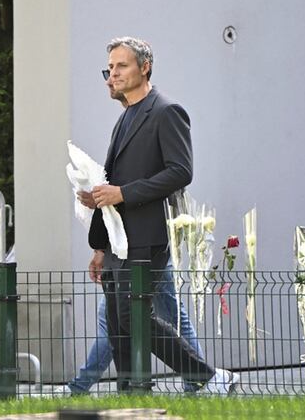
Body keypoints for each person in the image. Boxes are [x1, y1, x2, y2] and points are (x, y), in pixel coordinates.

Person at [78, 36, 236, 394]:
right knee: (120, 322)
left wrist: (123, 193)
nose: (111, 76)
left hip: (148, 237)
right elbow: (116, 180)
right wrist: (100, 244)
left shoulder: (166, 111)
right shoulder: (125, 118)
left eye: (120, 67)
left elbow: (181, 171)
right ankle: (133, 392)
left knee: (138, 317)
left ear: (144, 67)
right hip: (120, 241)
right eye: (109, 68)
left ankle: (208, 377)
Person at [69, 263, 201, 394]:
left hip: (146, 258)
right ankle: (80, 386)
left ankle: (200, 382)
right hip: (127, 262)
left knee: (176, 320)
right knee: (110, 320)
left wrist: (100, 252)